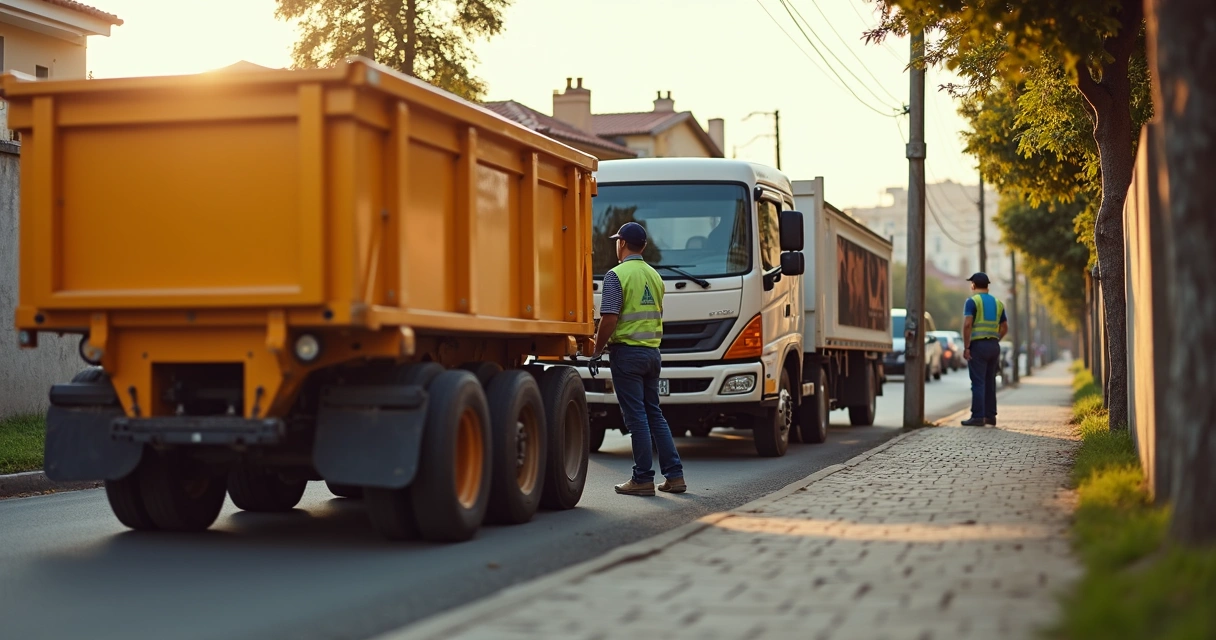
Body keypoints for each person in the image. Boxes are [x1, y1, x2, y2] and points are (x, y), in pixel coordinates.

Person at [591, 222, 686, 496]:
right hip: (652, 354)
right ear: (643, 246)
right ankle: (675, 476)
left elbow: (610, 318)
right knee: (654, 414)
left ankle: (642, 478)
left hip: (627, 355)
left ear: (621, 243)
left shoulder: (616, 275)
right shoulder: (655, 276)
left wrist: (597, 350)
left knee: (637, 418)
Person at [961, 272, 1009, 426]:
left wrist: (966, 347)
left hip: (978, 346)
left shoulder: (972, 302)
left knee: (978, 382)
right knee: (990, 381)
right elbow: (1005, 327)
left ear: (973, 285)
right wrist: (995, 339)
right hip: (994, 346)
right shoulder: (998, 303)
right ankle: (990, 416)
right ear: (987, 286)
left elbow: (967, 325)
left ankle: (977, 417)